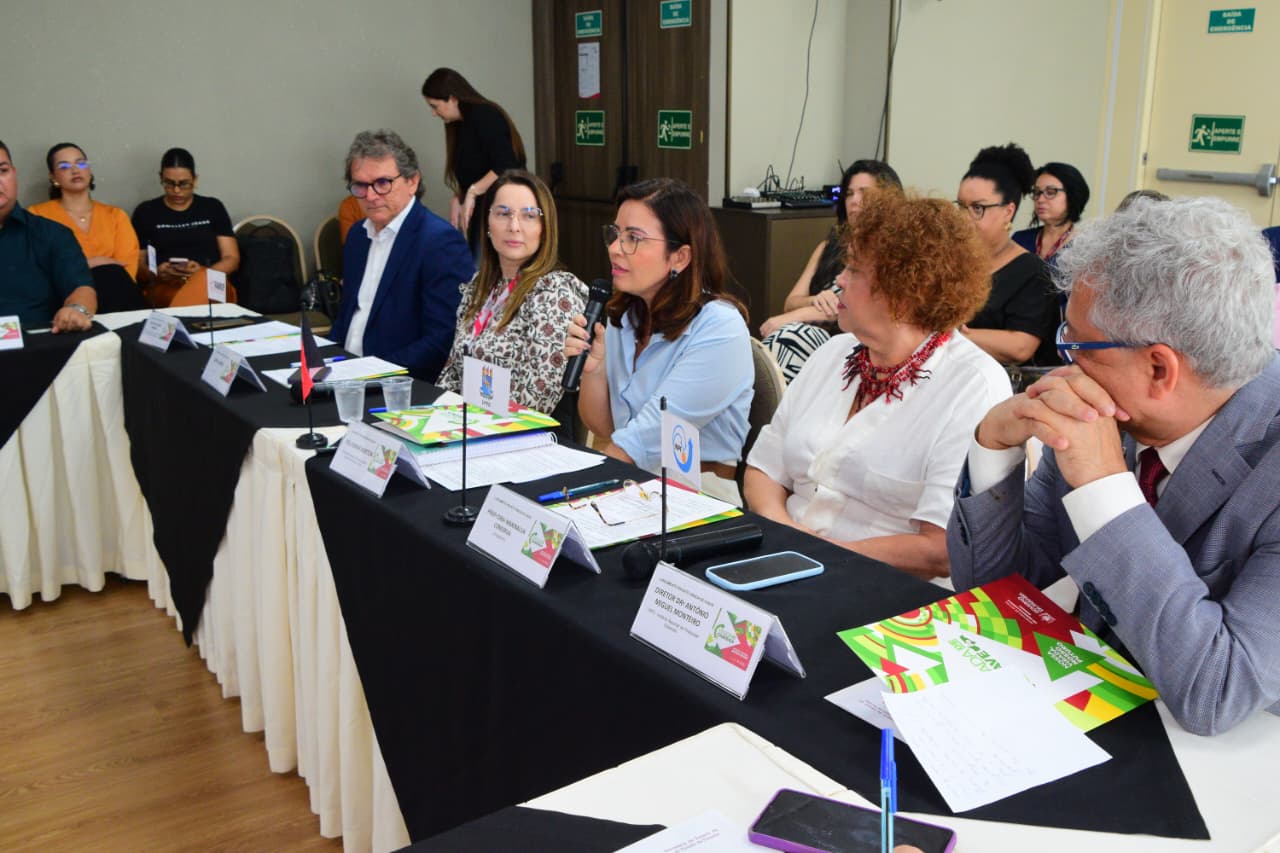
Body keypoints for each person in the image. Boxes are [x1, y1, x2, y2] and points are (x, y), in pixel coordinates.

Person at [947, 196, 1280, 736]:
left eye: (1077, 344)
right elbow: (1002, 594)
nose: (1066, 365)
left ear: (1159, 368)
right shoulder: (1109, 412)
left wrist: (1105, 489)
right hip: (1077, 709)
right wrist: (993, 450)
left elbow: (1217, 691)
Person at [745, 193, 1009, 579]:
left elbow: (941, 549)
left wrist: (816, 556)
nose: (838, 280)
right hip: (784, 556)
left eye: (853, 270)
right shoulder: (834, 353)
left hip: (883, 589)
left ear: (904, 293)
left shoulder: (974, 386)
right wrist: (786, 535)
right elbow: (762, 470)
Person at [563, 178, 753, 504]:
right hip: (634, 482)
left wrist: (581, 491)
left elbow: (648, 434)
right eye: (615, 234)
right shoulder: (626, 317)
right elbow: (606, 428)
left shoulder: (720, 327)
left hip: (699, 495)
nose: (614, 248)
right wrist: (593, 371)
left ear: (680, 257)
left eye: (633, 238)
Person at [329, 129, 475, 380]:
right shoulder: (358, 235)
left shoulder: (440, 242)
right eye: (360, 185)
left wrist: (369, 374)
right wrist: (325, 361)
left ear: (412, 182)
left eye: (383, 183)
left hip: (400, 384)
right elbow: (347, 317)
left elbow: (442, 339)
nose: (371, 196)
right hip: (345, 376)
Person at [437, 170, 586, 413]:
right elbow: (452, 371)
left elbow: (537, 398)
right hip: (465, 422)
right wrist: (438, 416)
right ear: (488, 223)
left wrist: (469, 420)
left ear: (544, 228)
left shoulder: (554, 292)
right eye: (503, 213)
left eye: (529, 216)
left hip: (516, 429)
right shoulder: (479, 286)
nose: (514, 226)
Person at [759, 160, 902, 382]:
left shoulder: (895, 249)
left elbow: (867, 307)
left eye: (864, 193)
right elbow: (791, 301)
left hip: (856, 344)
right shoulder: (830, 245)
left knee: (793, 337)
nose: (854, 201)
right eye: (849, 194)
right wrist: (816, 300)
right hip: (812, 340)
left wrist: (797, 316)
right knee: (784, 342)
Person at [956, 143, 1059, 366]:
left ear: (1008, 211)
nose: (964, 219)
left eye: (977, 208)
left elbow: (1020, 346)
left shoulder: (1032, 272)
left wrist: (954, 335)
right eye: (961, 206)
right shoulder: (951, 261)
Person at [30, 142, 145, 313]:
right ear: (53, 177)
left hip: (116, 296)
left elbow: (126, 269)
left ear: (89, 171)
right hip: (64, 299)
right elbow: (39, 269)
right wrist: (95, 261)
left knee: (111, 276)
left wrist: (79, 266)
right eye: (64, 166)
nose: (75, 170)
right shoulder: (37, 215)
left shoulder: (115, 215)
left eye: (81, 163)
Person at [421, 68, 526, 249]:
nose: (433, 113)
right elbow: (474, 172)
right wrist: (459, 196)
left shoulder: (485, 115)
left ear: (453, 99)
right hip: (483, 214)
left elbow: (505, 164)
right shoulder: (460, 124)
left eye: (435, 106)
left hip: (502, 211)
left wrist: (472, 192)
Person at [0, 140, 96, 331]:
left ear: (14, 173)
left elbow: (82, 289)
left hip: (37, 340)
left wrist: (76, 310)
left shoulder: (52, 234)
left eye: (2, 171)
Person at [131, 148, 240, 307]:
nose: (176, 190)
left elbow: (231, 258)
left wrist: (202, 273)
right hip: (166, 285)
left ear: (195, 180)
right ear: (161, 178)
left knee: (204, 287)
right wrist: (156, 273)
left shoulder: (212, 207)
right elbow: (137, 264)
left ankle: (178, 318)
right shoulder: (146, 211)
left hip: (210, 280)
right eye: (169, 183)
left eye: (184, 184)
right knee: (174, 297)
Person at [1011, 162, 1090, 267]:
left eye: (1051, 192)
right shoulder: (1020, 240)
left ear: (1073, 196)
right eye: (1037, 192)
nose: (1040, 199)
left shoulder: (1085, 248)